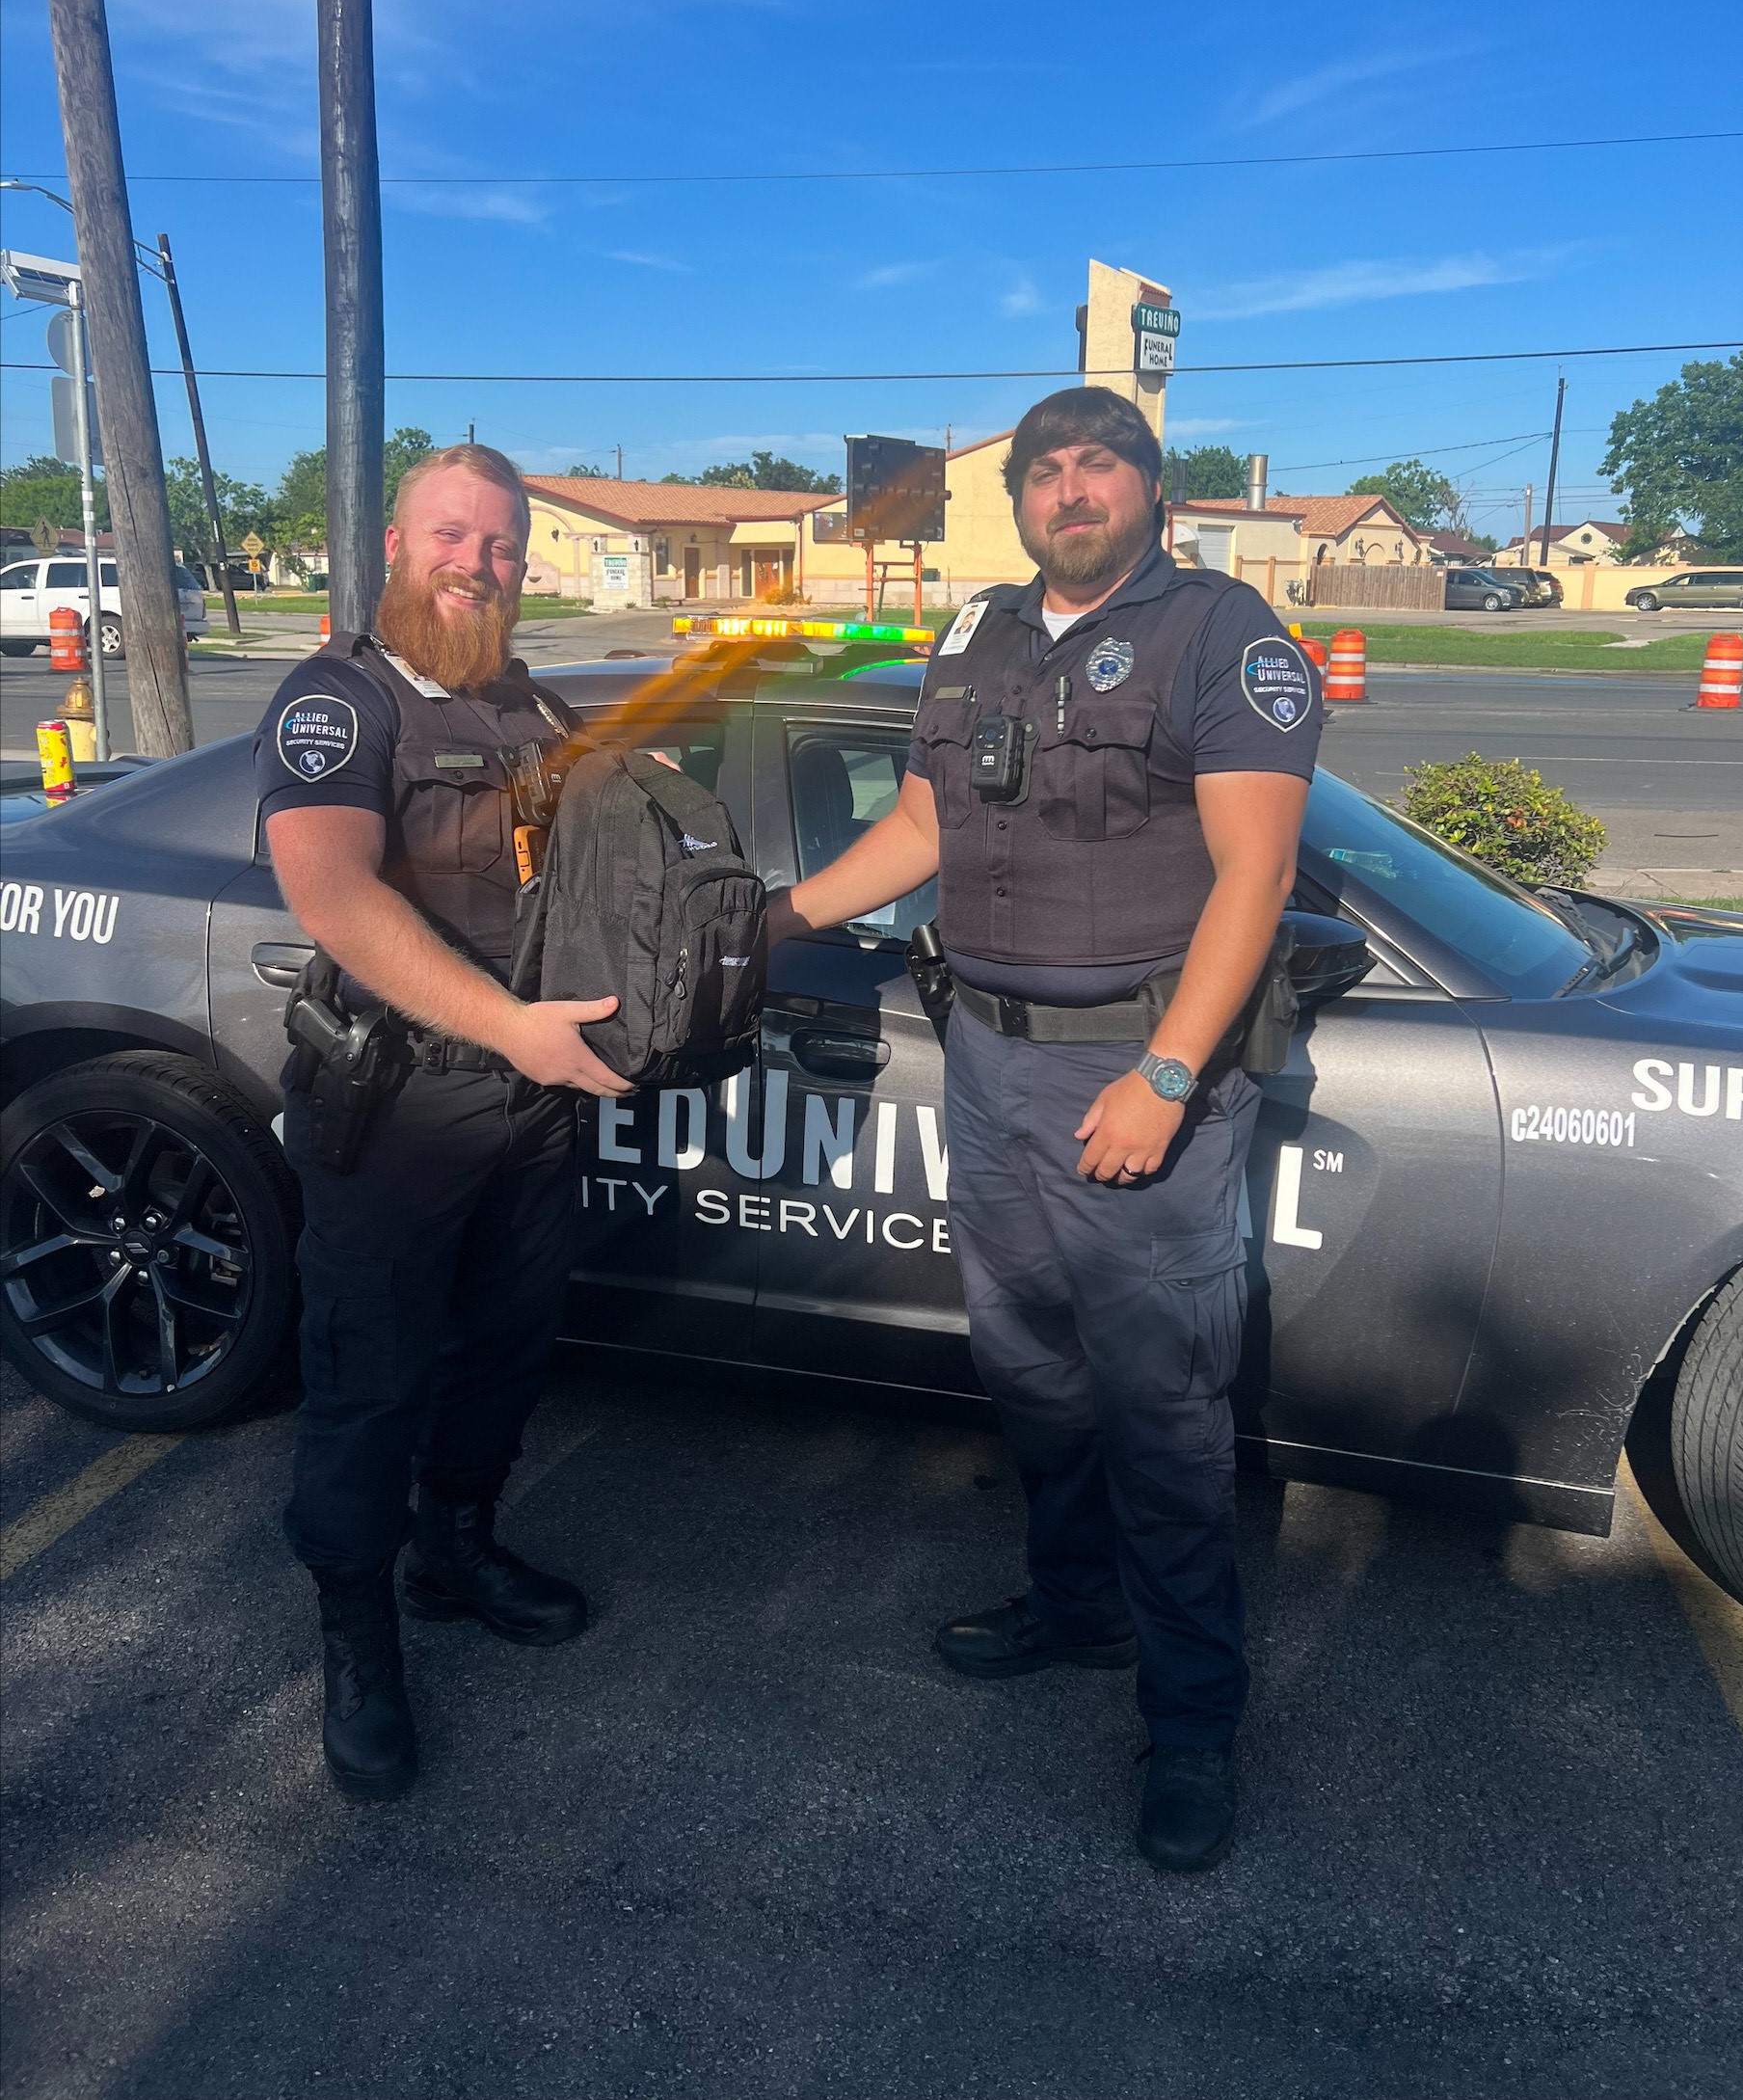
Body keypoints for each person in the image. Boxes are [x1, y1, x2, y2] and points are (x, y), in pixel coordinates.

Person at [764, 388, 1319, 1873]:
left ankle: (1192, 1724)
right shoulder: (977, 633)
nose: (1073, 492)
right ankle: (1077, 1608)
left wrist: (1167, 1073)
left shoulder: (1225, 636)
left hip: (1130, 1070)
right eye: (1047, 473)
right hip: (989, 1065)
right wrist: (776, 919)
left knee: (1163, 1407)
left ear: (1154, 486)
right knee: (1031, 1373)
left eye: (1101, 466)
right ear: (1018, 499)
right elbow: (927, 829)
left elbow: (1254, 877)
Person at [255, 442, 631, 1803]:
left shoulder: (527, 707)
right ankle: (358, 1640)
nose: (478, 564)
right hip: (401, 1102)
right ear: (396, 549)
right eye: (454, 537)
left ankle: (454, 1552)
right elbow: (338, 899)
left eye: (504, 546)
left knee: (502, 1349)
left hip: (529, 1103)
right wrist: (512, 1026)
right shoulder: (338, 705)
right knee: (370, 1381)